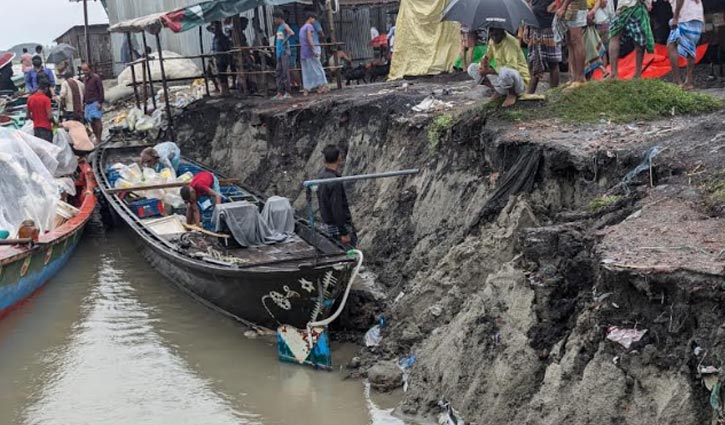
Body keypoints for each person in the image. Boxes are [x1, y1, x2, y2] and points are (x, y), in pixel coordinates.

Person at [468, 27, 531, 107]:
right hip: (502, 78)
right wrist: (483, 63)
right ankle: (497, 91)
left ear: (502, 32)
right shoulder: (492, 41)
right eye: (492, 35)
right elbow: (487, 56)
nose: (494, 38)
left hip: (518, 81)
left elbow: (512, 66)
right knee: (472, 68)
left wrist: (490, 71)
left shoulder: (510, 42)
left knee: (505, 71)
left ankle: (512, 94)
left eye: (496, 35)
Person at [317, 145, 357, 247]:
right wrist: (343, 232)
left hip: (328, 225)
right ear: (338, 158)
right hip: (338, 227)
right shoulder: (334, 181)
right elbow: (337, 208)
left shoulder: (321, 177)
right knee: (349, 255)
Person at [608, 0, 655, 79]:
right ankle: (637, 74)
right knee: (639, 42)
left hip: (623, 7)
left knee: (615, 37)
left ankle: (614, 73)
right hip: (635, 6)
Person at [524, 0, 562, 93]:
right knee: (534, 61)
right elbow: (529, 4)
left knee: (553, 62)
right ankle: (530, 92)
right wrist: (526, 27)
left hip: (549, 26)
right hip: (535, 27)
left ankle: (554, 92)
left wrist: (556, 4)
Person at [666, 0, 704, 89]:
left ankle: (677, 81)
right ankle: (689, 81)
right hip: (696, 16)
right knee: (690, 48)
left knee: (671, 44)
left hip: (685, 16)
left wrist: (675, 17)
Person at [555, 0, 588, 86]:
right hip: (568, 6)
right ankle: (574, 77)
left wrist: (563, 7)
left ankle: (580, 78)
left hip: (576, 5)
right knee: (570, 42)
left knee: (576, 40)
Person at [300, 12, 329, 96]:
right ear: (310, 18)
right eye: (314, 19)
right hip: (310, 51)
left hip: (304, 52)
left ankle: (307, 88)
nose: (314, 20)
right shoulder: (309, 26)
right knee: (317, 68)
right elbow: (309, 38)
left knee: (307, 71)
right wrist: (314, 49)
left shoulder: (302, 28)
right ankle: (323, 85)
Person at [273, 10, 295, 99]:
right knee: (278, 72)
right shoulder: (279, 28)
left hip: (284, 51)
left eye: (275, 18)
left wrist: (285, 41)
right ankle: (280, 92)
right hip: (279, 52)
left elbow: (291, 33)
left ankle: (288, 92)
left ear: (279, 18)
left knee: (285, 72)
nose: (274, 20)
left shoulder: (284, 25)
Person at [81, 63, 104, 144]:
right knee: (91, 122)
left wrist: (100, 102)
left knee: (97, 120)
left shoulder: (96, 78)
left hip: (95, 102)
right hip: (88, 103)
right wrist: (83, 102)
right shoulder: (84, 79)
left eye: (86, 70)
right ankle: (97, 137)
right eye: (83, 70)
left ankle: (99, 138)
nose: (85, 72)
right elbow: (85, 92)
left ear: (90, 69)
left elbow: (101, 90)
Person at [208, 21, 233, 95]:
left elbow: (227, 48)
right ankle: (220, 89)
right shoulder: (215, 37)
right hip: (216, 58)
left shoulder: (223, 38)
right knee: (215, 74)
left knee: (222, 74)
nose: (215, 29)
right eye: (214, 28)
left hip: (222, 58)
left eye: (216, 27)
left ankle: (225, 91)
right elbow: (208, 28)